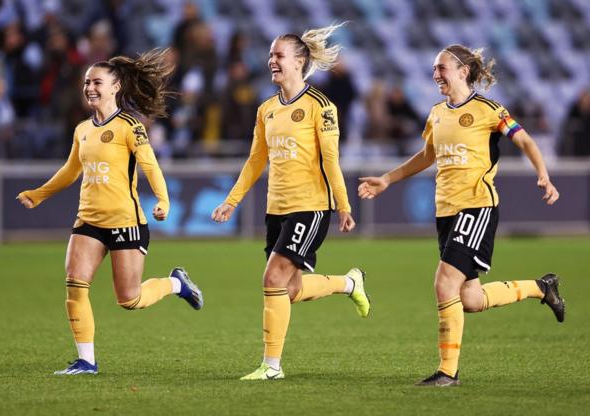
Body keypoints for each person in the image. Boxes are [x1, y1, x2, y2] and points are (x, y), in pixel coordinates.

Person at [358, 44, 565, 387]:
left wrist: (542, 172)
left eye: (441, 67)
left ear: (462, 72)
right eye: (434, 68)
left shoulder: (489, 110)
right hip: (446, 212)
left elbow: (525, 140)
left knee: (444, 283)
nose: (435, 73)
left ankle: (447, 373)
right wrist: (387, 180)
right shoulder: (437, 113)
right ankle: (542, 288)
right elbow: (426, 156)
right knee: (468, 298)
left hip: (476, 205)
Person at [17, 48, 204, 375]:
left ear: (116, 87)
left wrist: (163, 200)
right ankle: (86, 361)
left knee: (129, 299)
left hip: (125, 222)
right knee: (74, 283)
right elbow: (70, 171)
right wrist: (39, 194)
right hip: (88, 221)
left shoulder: (131, 126)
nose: (90, 87)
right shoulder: (82, 130)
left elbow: (150, 165)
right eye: (87, 82)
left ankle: (177, 284)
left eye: (97, 82)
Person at [211, 23, 370, 381]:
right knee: (292, 288)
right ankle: (349, 283)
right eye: (270, 55)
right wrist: (231, 201)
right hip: (276, 209)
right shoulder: (266, 109)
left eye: (278, 55)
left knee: (272, 279)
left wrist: (343, 206)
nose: (272, 61)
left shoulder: (321, 106)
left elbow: (331, 160)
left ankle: (271, 367)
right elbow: (255, 161)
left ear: (299, 62)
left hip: (310, 206)